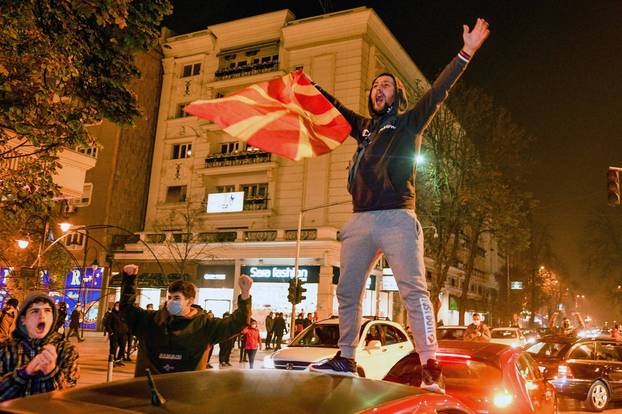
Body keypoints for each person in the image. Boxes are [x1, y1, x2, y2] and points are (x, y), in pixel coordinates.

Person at [309, 19, 490, 394]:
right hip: (359, 220)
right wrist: (310, 86)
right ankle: (345, 356)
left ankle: (430, 366)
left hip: (396, 218)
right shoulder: (364, 130)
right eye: (375, 86)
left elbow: (438, 91)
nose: (378, 89)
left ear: (397, 96)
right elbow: (338, 109)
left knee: (414, 291)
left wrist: (466, 52)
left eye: (385, 85)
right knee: (347, 292)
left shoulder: (408, 124)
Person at [119, 264, 252, 377]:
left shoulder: (204, 325)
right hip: (147, 391)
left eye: (176, 298)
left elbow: (237, 324)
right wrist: (129, 279)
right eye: (169, 297)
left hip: (187, 391)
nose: (171, 301)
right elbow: (126, 309)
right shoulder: (150, 320)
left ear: (190, 301)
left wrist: (245, 295)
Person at [0, 292, 79, 402]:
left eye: (47, 310)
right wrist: (24, 373)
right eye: (35, 311)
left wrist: (52, 372)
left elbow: (69, 400)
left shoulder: (66, 351)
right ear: (23, 319)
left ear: (53, 318)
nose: (42, 315)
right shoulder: (6, 349)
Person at [104, 302, 129, 367]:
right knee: (113, 348)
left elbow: (127, 323)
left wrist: (127, 331)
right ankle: (112, 361)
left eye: (118, 306)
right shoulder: (111, 314)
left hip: (123, 334)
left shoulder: (123, 314)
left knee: (123, 348)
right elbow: (107, 324)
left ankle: (118, 360)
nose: (117, 307)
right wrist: (111, 332)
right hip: (114, 334)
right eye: (116, 305)